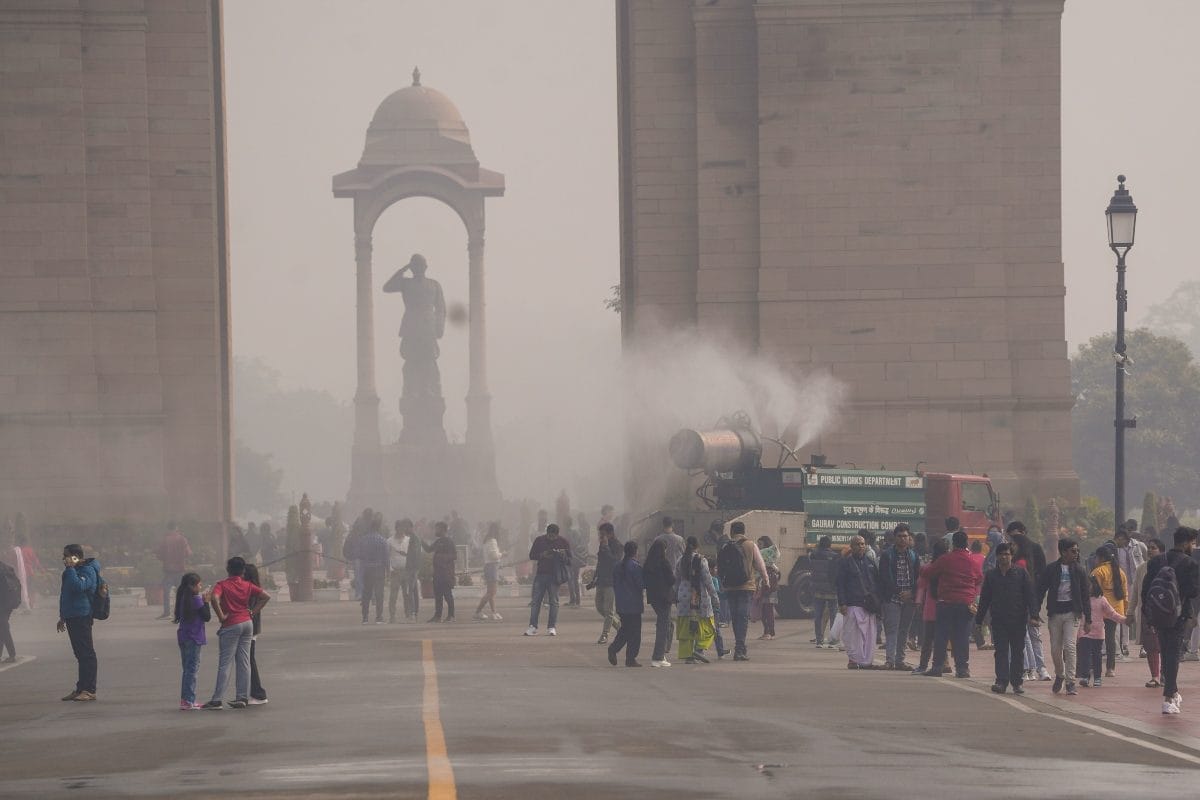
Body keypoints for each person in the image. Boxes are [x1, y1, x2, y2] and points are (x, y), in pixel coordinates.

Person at [1141, 526, 1200, 715]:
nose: (1194, 546)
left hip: (1158, 614)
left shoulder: (1156, 561)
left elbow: (1146, 588)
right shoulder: (1189, 564)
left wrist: (1148, 613)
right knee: (1172, 654)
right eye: (1193, 543)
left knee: (1165, 651)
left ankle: (1173, 691)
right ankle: (1168, 698)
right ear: (1186, 542)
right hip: (1178, 615)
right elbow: (1192, 592)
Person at [203, 556, 270, 710]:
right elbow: (265, 596)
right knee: (244, 662)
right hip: (247, 623)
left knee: (225, 663)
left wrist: (221, 616)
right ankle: (242, 697)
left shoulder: (222, 585)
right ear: (243, 571)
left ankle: (217, 699)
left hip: (231, 624)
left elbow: (214, 597)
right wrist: (252, 612)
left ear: (228, 569)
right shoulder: (247, 585)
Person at [975, 543, 1038, 694]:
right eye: (1001, 554)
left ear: (1012, 556)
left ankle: (1017, 682)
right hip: (998, 620)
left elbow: (1030, 595)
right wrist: (979, 619)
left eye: (1007, 554)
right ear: (997, 556)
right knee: (1001, 651)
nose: (1004, 557)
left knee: (1017, 651)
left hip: (1018, 619)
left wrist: (1034, 615)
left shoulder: (1021, 573)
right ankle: (1001, 681)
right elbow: (985, 599)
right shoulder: (991, 575)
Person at [922, 530, 984, 679]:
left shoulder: (945, 559)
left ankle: (937, 667)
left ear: (953, 543)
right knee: (962, 636)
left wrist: (923, 567)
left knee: (941, 635)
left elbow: (928, 573)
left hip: (946, 602)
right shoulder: (972, 561)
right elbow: (980, 578)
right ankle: (962, 669)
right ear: (966, 543)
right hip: (966, 603)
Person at [1037, 538, 1091, 696]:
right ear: (1064, 552)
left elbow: (1085, 596)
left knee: (1070, 646)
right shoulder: (1052, 569)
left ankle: (1070, 681)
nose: (1076, 554)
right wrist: (1034, 612)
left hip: (1072, 613)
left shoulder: (1079, 571)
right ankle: (1059, 675)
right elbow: (1040, 590)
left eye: (1077, 551)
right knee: (1055, 649)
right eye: (1073, 551)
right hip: (1054, 614)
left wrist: (1088, 618)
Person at [720, 520, 769, 662]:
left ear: (732, 532)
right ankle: (740, 649)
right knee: (742, 617)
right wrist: (766, 580)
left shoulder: (725, 546)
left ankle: (739, 645)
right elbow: (760, 564)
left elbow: (721, 565)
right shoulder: (750, 545)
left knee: (735, 617)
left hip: (730, 587)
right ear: (744, 531)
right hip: (746, 587)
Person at [57, 544, 101, 702]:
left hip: (82, 616)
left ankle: (89, 690)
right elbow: (66, 594)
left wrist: (70, 569)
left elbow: (78, 587)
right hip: (72, 616)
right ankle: (81, 688)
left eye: (66, 555)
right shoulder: (73, 571)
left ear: (75, 556)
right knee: (80, 654)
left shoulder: (87, 570)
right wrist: (62, 616)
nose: (64, 559)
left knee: (86, 653)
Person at [1009, 520, 1051, 682]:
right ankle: (1032, 668)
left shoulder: (1033, 551)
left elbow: (1042, 576)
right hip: (1021, 600)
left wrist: (1037, 599)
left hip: (1030, 598)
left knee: (1031, 634)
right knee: (1027, 635)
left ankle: (1037, 668)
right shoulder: (1012, 554)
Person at [836, 534, 881, 669]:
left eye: (863, 544)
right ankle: (853, 660)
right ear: (852, 546)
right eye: (858, 544)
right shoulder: (845, 563)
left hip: (868, 606)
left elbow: (876, 583)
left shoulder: (870, 562)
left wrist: (877, 602)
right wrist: (842, 603)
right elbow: (840, 584)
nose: (861, 546)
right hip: (852, 604)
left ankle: (866, 662)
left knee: (868, 636)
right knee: (852, 635)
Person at [879, 525, 919, 669]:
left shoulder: (913, 555)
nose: (903, 539)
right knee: (892, 630)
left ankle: (900, 661)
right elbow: (884, 578)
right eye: (900, 536)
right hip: (892, 599)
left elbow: (918, 578)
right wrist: (898, 592)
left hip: (909, 599)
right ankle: (890, 661)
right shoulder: (887, 555)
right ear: (895, 538)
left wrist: (911, 593)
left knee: (904, 630)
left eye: (905, 536)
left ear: (909, 538)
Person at [1078, 577, 1127, 688]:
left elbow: (1112, 614)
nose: (1087, 587)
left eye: (1089, 585)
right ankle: (1085, 677)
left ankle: (1097, 677)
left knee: (1097, 656)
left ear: (1095, 586)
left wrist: (1124, 620)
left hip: (1098, 633)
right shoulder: (1082, 599)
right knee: (1085, 655)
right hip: (1084, 632)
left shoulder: (1102, 600)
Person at [676, 537, 718, 664]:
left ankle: (688, 656)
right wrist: (715, 597)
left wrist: (676, 595)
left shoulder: (680, 560)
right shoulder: (701, 560)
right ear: (697, 546)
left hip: (683, 597)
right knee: (709, 627)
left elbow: (676, 579)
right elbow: (708, 581)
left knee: (686, 627)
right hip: (699, 598)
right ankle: (699, 649)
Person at [912, 539, 951, 675]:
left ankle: (923, 666)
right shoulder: (950, 567)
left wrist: (918, 602)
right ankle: (945, 663)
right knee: (942, 638)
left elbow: (921, 585)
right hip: (947, 605)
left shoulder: (929, 567)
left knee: (927, 639)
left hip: (931, 607)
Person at [1090, 543, 1128, 678]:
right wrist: (1125, 610)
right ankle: (1110, 669)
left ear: (1100, 557)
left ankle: (1094, 667)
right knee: (1111, 639)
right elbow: (1125, 594)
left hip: (1100, 610)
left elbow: (1094, 593)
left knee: (1096, 639)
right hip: (1116, 610)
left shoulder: (1097, 572)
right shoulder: (1120, 572)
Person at [1130, 538, 1165, 687]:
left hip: (1165, 612)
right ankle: (1155, 676)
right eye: (1149, 548)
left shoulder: (1168, 567)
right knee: (1151, 646)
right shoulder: (1141, 568)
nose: (1150, 550)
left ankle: (1165, 674)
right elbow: (1136, 592)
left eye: (1154, 548)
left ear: (1161, 551)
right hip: (1147, 612)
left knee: (1165, 644)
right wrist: (1130, 611)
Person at [173, 572, 210, 710]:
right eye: (199, 584)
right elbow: (206, 616)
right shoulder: (196, 600)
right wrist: (206, 601)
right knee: (192, 670)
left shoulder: (182, 598)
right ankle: (189, 700)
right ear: (193, 586)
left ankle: (186, 699)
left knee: (187, 669)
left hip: (183, 636)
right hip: (194, 638)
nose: (201, 587)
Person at [525, 523, 569, 636]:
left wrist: (563, 555)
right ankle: (533, 626)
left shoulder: (563, 541)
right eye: (550, 536)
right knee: (535, 602)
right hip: (541, 574)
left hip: (555, 576)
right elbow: (532, 555)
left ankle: (551, 626)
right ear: (547, 533)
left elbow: (569, 559)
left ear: (557, 535)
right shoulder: (539, 540)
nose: (552, 539)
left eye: (554, 537)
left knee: (554, 602)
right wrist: (542, 555)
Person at [607, 540, 644, 667]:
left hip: (622, 604)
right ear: (635, 552)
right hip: (634, 605)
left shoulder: (617, 566)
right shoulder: (635, 567)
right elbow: (641, 584)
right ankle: (630, 657)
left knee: (625, 630)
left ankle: (614, 649)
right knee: (634, 633)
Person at [642, 538, 677, 667]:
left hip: (654, 598)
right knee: (663, 627)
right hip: (665, 598)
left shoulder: (648, 564)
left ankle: (661, 654)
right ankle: (658, 656)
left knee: (665, 624)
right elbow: (672, 579)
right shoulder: (664, 563)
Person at [587, 522, 622, 643]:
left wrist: (606, 547)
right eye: (600, 535)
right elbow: (600, 563)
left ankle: (605, 635)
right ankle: (620, 627)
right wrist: (594, 579)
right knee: (600, 607)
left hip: (612, 581)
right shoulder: (602, 545)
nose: (600, 537)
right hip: (601, 581)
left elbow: (615, 562)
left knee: (609, 610)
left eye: (603, 534)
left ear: (610, 534)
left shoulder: (617, 545)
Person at [1114, 527, 1145, 659]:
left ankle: (1144, 646)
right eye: (1117, 539)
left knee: (1140, 613)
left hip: (1138, 582)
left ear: (1127, 539)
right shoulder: (1116, 549)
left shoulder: (1139, 546)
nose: (1119, 541)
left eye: (1121, 539)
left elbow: (1146, 560)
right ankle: (1125, 644)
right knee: (1125, 613)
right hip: (1123, 584)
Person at [243, 564, 269, 705]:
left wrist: (251, 613)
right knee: (249, 660)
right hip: (252, 628)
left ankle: (258, 694)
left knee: (249, 661)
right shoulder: (254, 588)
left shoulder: (250, 589)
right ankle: (254, 692)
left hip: (250, 628)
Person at [157, 526, 192, 621]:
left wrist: (166, 559)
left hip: (168, 570)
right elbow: (188, 553)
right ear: (176, 528)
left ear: (168, 529)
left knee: (166, 592)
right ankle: (181, 612)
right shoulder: (182, 539)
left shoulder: (165, 540)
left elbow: (159, 554)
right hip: (180, 569)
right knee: (181, 592)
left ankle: (167, 613)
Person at [809, 535, 839, 649]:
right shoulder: (835, 556)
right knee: (833, 616)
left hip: (817, 590)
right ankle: (833, 640)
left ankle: (819, 640)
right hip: (831, 591)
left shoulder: (813, 555)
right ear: (830, 545)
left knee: (818, 615)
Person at [358, 520, 389, 625]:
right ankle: (379, 617)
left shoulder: (363, 540)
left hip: (367, 570)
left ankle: (365, 617)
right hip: (379, 570)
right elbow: (386, 558)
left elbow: (360, 555)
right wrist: (388, 571)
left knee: (366, 594)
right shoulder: (383, 540)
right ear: (378, 528)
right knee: (379, 594)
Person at [427, 522, 457, 623]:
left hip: (446, 574)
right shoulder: (438, 541)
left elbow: (454, 555)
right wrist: (420, 541)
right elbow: (428, 549)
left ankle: (451, 615)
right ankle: (437, 616)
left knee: (448, 595)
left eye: (437, 528)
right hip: (437, 574)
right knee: (438, 596)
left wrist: (442, 558)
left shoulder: (449, 542)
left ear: (443, 529)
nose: (435, 530)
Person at [474, 528, 504, 621]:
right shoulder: (492, 541)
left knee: (490, 592)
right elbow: (493, 555)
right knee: (492, 592)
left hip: (488, 566)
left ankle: (494, 612)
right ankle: (478, 611)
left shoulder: (487, 541)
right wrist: (502, 554)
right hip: (492, 567)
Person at [756, 536, 781, 641]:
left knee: (768, 610)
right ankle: (767, 632)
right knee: (764, 610)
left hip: (768, 588)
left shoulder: (770, 564)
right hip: (766, 588)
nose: (758, 546)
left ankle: (769, 632)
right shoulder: (773, 565)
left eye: (760, 544)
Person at [388, 520, 410, 624]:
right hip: (395, 572)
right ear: (396, 528)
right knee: (393, 595)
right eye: (400, 528)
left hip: (406, 571)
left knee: (407, 594)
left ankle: (408, 614)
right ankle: (392, 615)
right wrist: (390, 569)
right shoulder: (389, 541)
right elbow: (386, 557)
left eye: (403, 528)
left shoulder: (408, 540)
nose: (402, 530)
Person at [401, 519, 423, 621]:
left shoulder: (413, 539)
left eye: (406, 527)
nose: (404, 529)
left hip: (412, 568)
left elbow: (414, 554)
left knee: (410, 590)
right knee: (413, 591)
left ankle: (412, 612)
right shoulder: (412, 538)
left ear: (411, 527)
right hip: (413, 567)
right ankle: (415, 612)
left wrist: (404, 554)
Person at [0, 557, 19, 661]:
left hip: (3, 604)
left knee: (3, 628)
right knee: (2, 627)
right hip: (9, 603)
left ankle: (12, 654)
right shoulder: (5, 567)